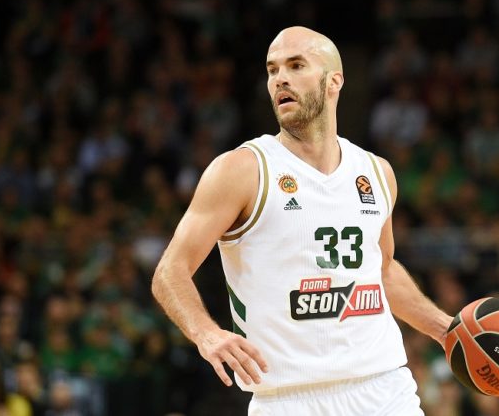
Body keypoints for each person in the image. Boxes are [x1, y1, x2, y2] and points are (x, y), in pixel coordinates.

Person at [152, 26, 453, 415]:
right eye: (272, 69)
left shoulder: (376, 172)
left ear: (334, 81)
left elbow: (383, 269)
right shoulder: (242, 170)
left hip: (383, 388)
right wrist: (206, 334)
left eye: (296, 65)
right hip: (288, 398)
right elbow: (169, 271)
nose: (280, 78)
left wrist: (444, 329)